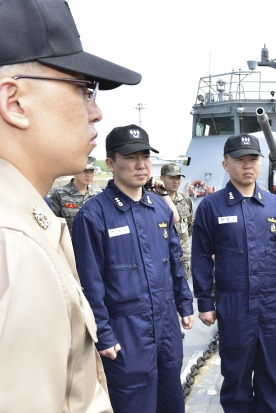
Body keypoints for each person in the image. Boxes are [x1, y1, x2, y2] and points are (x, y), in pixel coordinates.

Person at [0, 0, 140, 411]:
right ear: (15, 103)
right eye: (83, 89)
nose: (96, 112)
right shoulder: (14, 246)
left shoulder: (30, 222)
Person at [72, 125, 194, 413]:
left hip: (165, 324)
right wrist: (104, 332)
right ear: (112, 163)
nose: (141, 165)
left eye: (145, 156)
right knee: (133, 402)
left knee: (171, 399)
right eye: (131, 157)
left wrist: (185, 304)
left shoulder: (160, 209)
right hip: (126, 330)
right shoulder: (94, 215)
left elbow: (174, 261)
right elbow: (90, 282)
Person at [192, 133, 276, 412]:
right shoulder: (212, 206)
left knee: (272, 370)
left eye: (252, 159)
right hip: (233, 303)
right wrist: (205, 302)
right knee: (236, 370)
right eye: (239, 160)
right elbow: (200, 256)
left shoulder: (274, 205)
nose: (247, 165)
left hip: (270, 302)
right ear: (225, 165)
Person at [48, 156, 102, 235]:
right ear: (74, 171)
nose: (89, 175)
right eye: (85, 171)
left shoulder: (98, 193)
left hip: (92, 243)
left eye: (91, 171)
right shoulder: (60, 193)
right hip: (69, 244)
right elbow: (52, 221)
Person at [161, 162, 193, 279]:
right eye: (171, 177)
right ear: (162, 178)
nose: (176, 181)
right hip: (162, 259)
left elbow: (189, 227)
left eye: (178, 177)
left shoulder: (185, 199)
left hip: (182, 257)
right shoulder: (153, 200)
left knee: (183, 293)